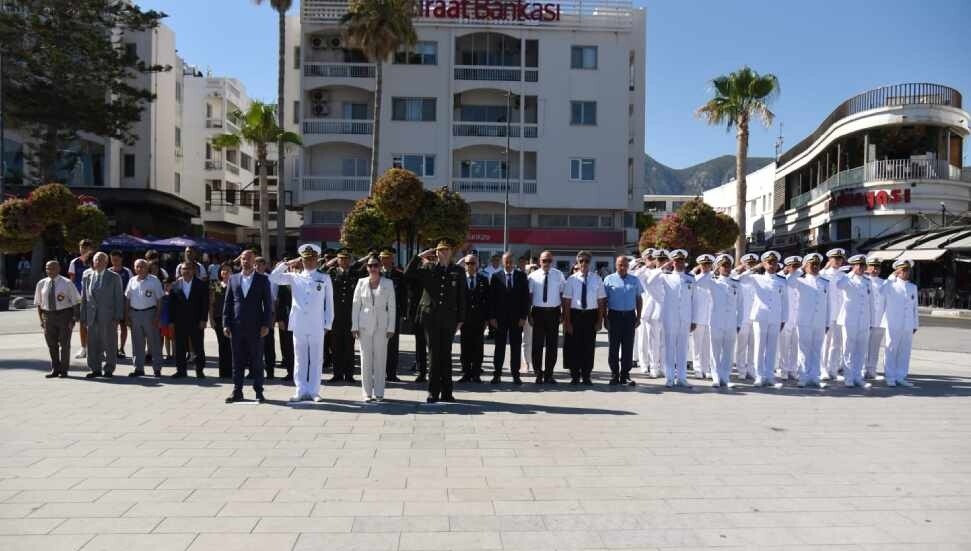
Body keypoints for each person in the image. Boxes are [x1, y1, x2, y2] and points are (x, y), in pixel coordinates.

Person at [404, 239, 467, 403]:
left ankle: (447, 392)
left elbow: (462, 296)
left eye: (447, 250)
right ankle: (433, 392)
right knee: (433, 354)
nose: (444, 253)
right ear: (436, 253)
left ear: (451, 252)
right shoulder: (428, 268)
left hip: (449, 319)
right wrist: (419, 256)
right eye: (441, 250)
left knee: (446, 354)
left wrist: (461, 319)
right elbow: (408, 274)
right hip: (430, 317)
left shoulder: (458, 271)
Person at [270, 244, 334, 402]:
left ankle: (313, 391)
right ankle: (300, 389)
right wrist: (290, 263)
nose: (308, 262)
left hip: (317, 324)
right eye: (305, 259)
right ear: (301, 260)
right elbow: (273, 277)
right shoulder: (294, 276)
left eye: (312, 259)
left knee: (316, 358)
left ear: (317, 260)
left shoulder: (324, 277)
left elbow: (329, 303)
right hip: (299, 323)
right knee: (299, 358)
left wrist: (328, 324)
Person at [223, 250, 273, 402]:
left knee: (257, 360)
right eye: (243, 258)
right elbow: (228, 302)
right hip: (236, 326)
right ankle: (237, 391)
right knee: (237, 360)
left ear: (254, 262)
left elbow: (268, 304)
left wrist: (266, 324)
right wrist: (226, 323)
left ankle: (259, 391)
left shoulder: (262, 280)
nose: (245, 261)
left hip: (256, 327)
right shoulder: (233, 279)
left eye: (249, 259)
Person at [642, 249, 695, 388]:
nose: (678, 263)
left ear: (685, 262)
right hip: (670, 317)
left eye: (681, 260)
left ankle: (682, 377)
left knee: (683, 348)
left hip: (685, 318)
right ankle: (670, 377)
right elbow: (648, 283)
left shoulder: (690, 279)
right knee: (669, 347)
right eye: (676, 261)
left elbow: (694, 300)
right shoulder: (666, 276)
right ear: (672, 262)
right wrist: (661, 268)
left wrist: (693, 319)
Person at [735, 250, 788, 388]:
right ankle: (759, 376)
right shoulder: (756, 278)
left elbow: (785, 301)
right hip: (760, 316)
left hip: (775, 317)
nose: (772, 265)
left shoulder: (782, 280)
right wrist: (754, 268)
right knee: (759, 347)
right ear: (764, 264)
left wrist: (784, 319)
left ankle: (769, 376)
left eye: (774, 263)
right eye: (769, 263)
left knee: (772, 348)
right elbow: (739, 278)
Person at [691, 254, 741, 388]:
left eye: (728, 265)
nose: (726, 268)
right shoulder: (712, 282)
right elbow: (696, 282)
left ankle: (725, 377)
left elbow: (740, 306)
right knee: (715, 351)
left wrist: (739, 323)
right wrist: (711, 271)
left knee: (728, 352)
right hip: (716, 321)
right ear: (718, 267)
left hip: (731, 321)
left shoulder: (736, 283)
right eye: (723, 266)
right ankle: (716, 377)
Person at [352, 256, 396, 402]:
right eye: (370, 266)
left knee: (380, 359)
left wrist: (391, 327)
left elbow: (392, 307)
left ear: (380, 267)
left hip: (382, 326)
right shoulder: (361, 282)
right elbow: (356, 305)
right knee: (365, 359)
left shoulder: (388, 283)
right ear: (367, 268)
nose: (373, 268)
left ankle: (379, 392)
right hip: (364, 325)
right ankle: (366, 393)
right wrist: (354, 326)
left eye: (375, 265)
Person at [785, 253, 830, 388]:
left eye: (817, 264)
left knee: (817, 349)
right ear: (806, 265)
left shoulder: (825, 282)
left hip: (819, 321)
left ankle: (815, 377)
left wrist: (827, 322)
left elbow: (829, 304)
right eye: (812, 264)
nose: (815, 267)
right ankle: (803, 376)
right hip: (804, 320)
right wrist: (800, 269)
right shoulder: (800, 280)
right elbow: (789, 282)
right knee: (804, 349)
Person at [561, 251, 605, 385]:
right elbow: (567, 302)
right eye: (581, 261)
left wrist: (599, 320)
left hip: (590, 315)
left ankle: (586, 375)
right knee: (574, 346)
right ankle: (575, 375)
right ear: (577, 263)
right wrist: (567, 322)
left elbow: (601, 301)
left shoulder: (597, 279)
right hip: (575, 315)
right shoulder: (571, 279)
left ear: (590, 262)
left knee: (588, 346)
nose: (584, 263)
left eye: (586, 261)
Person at [80, 252, 125, 378]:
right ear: (93, 262)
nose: (98, 262)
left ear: (106, 262)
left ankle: (109, 369)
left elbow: (119, 298)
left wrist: (118, 317)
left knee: (109, 343)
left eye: (101, 260)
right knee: (92, 344)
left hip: (109, 317)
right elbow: (84, 298)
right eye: (96, 260)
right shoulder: (87, 276)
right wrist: (83, 316)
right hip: (91, 317)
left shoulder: (114, 277)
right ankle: (95, 369)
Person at [35, 260, 81, 378]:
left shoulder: (67, 283)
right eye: (47, 268)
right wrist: (41, 320)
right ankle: (55, 369)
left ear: (59, 269)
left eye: (52, 268)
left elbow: (76, 302)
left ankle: (64, 370)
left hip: (64, 316)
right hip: (48, 316)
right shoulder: (41, 283)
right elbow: (39, 304)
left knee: (64, 344)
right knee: (51, 344)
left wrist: (74, 319)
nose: (49, 271)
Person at [488, 252, 529, 384]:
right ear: (502, 262)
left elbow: (525, 299)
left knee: (516, 347)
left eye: (511, 261)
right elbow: (492, 299)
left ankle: (515, 375)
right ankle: (497, 374)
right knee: (499, 347)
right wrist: (492, 317)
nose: (509, 264)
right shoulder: (496, 277)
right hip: (499, 319)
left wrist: (524, 316)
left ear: (514, 262)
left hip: (517, 319)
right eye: (506, 261)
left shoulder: (522, 276)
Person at [601, 255, 642, 386]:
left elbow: (638, 299)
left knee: (628, 347)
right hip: (614, 316)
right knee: (613, 347)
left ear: (628, 266)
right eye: (620, 265)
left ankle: (625, 374)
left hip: (629, 316)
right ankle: (614, 374)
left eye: (625, 265)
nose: (623, 267)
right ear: (616, 265)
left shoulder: (634, 280)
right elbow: (603, 300)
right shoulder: (608, 279)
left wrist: (638, 316)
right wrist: (604, 317)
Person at [834, 254, 873, 389]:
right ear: (853, 266)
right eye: (858, 265)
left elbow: (870, 303)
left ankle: (858, 377)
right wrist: (850, 273)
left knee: (861, 349)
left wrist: (871, 321)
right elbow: (839, 286)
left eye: (863, 265)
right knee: (849, 349)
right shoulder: (846, 279)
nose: (861, 268)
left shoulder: (868, 281)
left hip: (864, 320)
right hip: (849, 319)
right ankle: (848, 377)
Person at [527, 250, 566, 384]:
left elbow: (563, 295)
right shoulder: (532, 276)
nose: (547, 263)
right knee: (537, 345)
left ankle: (549, 374)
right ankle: (538, 373)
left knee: (552, 345)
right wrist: (529, 315)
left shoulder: (559, 275)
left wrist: (562, 313)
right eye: (544, 260)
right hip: (538, 313)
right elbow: (529, 297)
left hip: (553, 312)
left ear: (552, 261)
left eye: (549, 261)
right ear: (539, 261)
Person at [880, 259, 918, 387]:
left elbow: (914, 308)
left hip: (907, 324)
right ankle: (890, 376)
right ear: (897, 271)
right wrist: (891, 277)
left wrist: (915, 324)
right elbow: (881, 291)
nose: (905, 272)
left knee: (905, 351)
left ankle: (901, 376)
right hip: (893, 323)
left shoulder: (913, 287)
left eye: (907, 270)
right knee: (891, 349)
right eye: (903, 270)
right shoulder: (890, 285)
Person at [169, 262, 209, 379]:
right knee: (180, 346)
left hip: (196, 321)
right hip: (179, 321)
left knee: (198, 346)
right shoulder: (175, 285)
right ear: (180, 271)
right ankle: (181, 370)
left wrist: (203, 319)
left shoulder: (201, 284)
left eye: (189, 269)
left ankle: (199, 370)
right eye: (184, 269)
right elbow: (171, 305)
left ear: (194, 271)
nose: (186, 271)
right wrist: (171, 321)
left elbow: (205, 304)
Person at [125, 259, 163, 378]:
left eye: (142, 266)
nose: (140, 269)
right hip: (135, 314)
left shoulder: (154, 280)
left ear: (147, 268)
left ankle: (157, 368)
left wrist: (157, 316)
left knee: (154, 342)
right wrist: (127, 315)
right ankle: (138, 368)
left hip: (150, 313)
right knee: (137, 343)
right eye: (137, 267)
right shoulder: (132, 280)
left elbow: (159, 300)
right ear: (134, 268)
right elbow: (127, 299)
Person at [326, 249, 359, 384]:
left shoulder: (355, 274)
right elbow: (320, 271)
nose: (344, 261)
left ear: (349, 260)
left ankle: (349, 374)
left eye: (346, 259)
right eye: (341, 258)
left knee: (349, 347)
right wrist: (330, 262)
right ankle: (337, 373)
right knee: (336, 346)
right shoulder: (331, 273)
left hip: (350, 316)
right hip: (335, 316)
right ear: (337, 260)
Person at [458, 254, 489, 383]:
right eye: (468, 263)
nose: (470, 266)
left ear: (477, 265)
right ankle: (466, 373)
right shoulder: (460, 279)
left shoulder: (483, 279)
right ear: (464, 265)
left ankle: (476, 373)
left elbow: (487, 300)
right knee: (465, 347)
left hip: (479, 320)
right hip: (464, 320)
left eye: (473, 263)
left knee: (478, 347)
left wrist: (487, 319)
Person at [378, 248, 405, 382]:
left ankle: (392, 373)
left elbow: (403, 295)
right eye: (383, 258)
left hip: (393, 313)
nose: (386, 260)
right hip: (378, 313)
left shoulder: (399, 275)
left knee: (393, 345)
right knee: (379, 344)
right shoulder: (375, 273)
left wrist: (404, 313)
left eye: (388, 258)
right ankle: (379, 372)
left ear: (392, 259)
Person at [820, 248, 847, 381]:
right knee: (825, 343)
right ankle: (823, 369)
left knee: (837, 344)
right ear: (829, 260)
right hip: (826, 314)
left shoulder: (844, 276)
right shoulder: (823, 274)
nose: (837, 261)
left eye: (840, 259)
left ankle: (833, 369)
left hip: (840, 314)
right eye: (835, 258)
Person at [732, 253, 759, 380]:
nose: (751, 266)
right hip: (743, 317)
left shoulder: (759, 278)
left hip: (756, 317)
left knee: (753, 346)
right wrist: (741, 269)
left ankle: (751, 369)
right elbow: (730, 275)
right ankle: (741, 370)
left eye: (753, 264)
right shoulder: (738, 279)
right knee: (742, 346)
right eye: (748, 264)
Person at [68, 238, 95, 359]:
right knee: (83, 325)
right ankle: (84, 348)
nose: (83, 249)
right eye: (82, 247)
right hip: (80, 299)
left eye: (86, 247)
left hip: (95, 299)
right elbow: (71, 283)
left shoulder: (96, 260)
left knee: (96, 325)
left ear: (91, 248)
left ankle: (96, 348)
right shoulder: (74, 262)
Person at [690, 254, 715, 380]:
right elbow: (692, 300)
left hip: (712, 317)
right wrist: (692, 318)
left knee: (709, 345)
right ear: (699, 265)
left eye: (708, 264)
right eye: (703, 264)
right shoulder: (694, 279)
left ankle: (707, 368)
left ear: (712, 265)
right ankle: (698, 368)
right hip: (698, 317)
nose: (706, 266)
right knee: (697, 344)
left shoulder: (716, 278)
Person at [778, 256, 803, 381]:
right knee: (784, 345)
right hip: (786, 317)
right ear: (787, 266)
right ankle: (783, 370)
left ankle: (793, 370)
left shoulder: (802, 279)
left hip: (798, 317)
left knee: (795, 346)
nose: (795, 268)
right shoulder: (782, 279)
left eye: (797, 266)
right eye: (792, 266)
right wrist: (784, 271)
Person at [255, 256, 278, 380]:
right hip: (254, 317)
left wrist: (272, 318)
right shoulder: (251, 279)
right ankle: (254, 371)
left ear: (265, 266)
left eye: (260, 265)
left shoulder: (270, 279)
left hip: (267, 316)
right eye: (256, 265)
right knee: (254, 346)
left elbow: (273, 301)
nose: (257, 267)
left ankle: (270, 371)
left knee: (269, 346)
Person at [108, 250, 133, 359]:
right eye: (112, 260)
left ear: (121, 259)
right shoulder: (107, 271)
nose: (114, 262)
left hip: (123, 303)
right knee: (112, 328)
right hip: (111, 304)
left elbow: (132, 287)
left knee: (123, 326)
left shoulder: (127, 271)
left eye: (116, 260)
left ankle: (121, 348)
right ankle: (112, 348)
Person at [865, 257, 887, 380]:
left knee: (875, 347)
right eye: (872, 266)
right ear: (867, 267)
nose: (874, 269)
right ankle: (862, 370)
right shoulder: (864, 281)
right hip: (866, 320)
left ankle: (872, 370)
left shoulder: (884, 283)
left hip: (879, 320)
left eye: (877, 267)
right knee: (863, 347)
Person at [210, 263, 233, 379]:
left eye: (227, 270)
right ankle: (223, 372)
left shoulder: (234, 284)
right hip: (219, 317)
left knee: (231, 345)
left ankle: (232, 370)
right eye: (223, 270)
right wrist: (211, 318)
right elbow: (212, 303)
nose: (225, 272)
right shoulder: (217, 285)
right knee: (222, 345)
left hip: (232, 318)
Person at [275, 264, 295, 383]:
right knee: (287, 347)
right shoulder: (283, 284)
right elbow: (280, 302)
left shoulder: (302, 279)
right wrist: (280, 319)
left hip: (301, 320)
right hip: (287, 319)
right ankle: (290, 372)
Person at [159, 277, 175, 362]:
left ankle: (174, 354)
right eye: (164, 285)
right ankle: (168, 354)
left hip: (172, 321)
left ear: (171, 285)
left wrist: (173, 321)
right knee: (166, 338)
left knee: (173, 338)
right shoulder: (161, 295)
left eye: (168, 285)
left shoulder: (174, 295)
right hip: (163, 320)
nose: (166, 286)